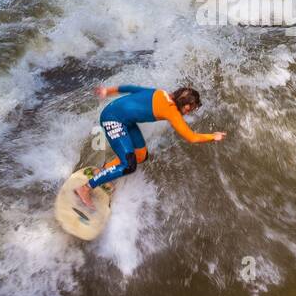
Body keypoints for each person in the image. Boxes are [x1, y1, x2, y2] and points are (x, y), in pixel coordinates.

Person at [74, 84, 225, 209]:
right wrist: (213, 136)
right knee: (129, 165)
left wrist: (108, 91)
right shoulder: (171, 111)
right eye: (190, 108)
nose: (189, 112)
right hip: (112, 119)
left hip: (125, 120)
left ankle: (104, 171)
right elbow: (191, 137)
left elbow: (131, 88)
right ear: (185, 104)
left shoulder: (160, 93)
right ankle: (85, 188)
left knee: (141, 156)